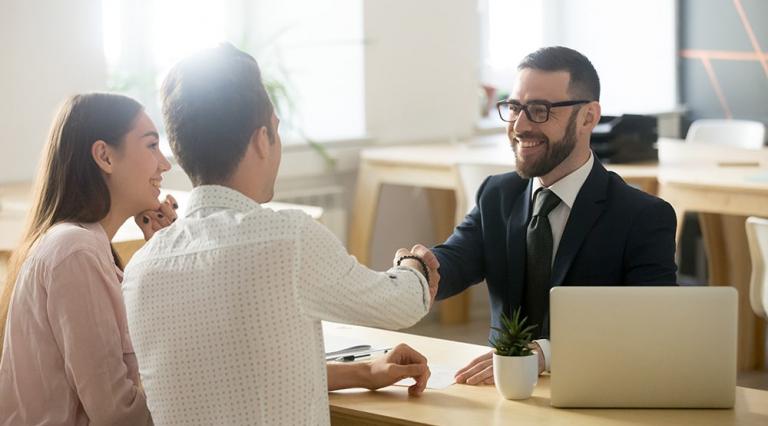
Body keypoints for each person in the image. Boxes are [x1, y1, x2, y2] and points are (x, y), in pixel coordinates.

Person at [121, 43, 440, 425]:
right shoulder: (289, 239)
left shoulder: (140, 270)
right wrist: (413, 265)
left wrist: (363, 371)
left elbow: (235, 374)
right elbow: (401, 304)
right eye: (276, 129)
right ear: (261, 139)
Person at [426, 46, 677, 385]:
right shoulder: (497, 194)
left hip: (595, 390)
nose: (520, 125)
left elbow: (652, 325)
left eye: (540, 110)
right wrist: (417, 267)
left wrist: (545, 354)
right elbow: (455, 260)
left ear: (588, 117)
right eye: (514, 107)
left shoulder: (644, 217)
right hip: (501, 392)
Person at [0, 93, 178, 425]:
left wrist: (162, 260)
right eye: (152, 145)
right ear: (104, 156)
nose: (164, 164)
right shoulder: (75, 251)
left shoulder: (84, 248)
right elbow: (116, 414)